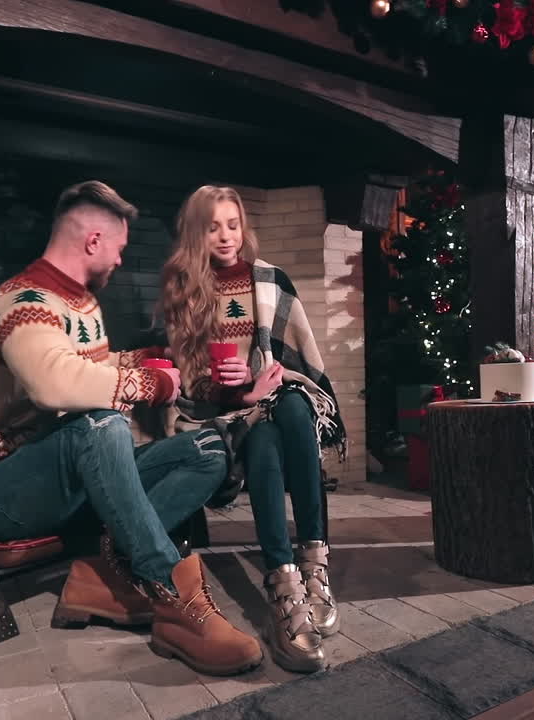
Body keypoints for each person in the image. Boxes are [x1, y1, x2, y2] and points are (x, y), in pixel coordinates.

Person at [0, 180, 262, 676]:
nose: (122, 261)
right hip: (10, 491)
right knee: (102, 424)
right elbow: (56, 384)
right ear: (93, 241)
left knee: (210, 447)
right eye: (120, 249)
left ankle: (101, 577)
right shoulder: (21, 301)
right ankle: (171, 595)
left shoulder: (82, 303)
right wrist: (149, 384)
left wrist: (142, 360)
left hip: (79, 483)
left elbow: (85, 365)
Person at [159, 185, 347, 674]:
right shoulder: (185, 289)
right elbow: (192, 381)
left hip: (280, 398)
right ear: (197, 233)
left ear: (244, 227)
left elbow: (298, 359)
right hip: (227, 412)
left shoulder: (272, 281)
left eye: (233, 224)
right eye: (213, 226)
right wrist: (241, 393)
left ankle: (306, 569)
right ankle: (292, 579)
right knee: (261, 434)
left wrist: (264, 380)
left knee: (292, 409)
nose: (226, 236)